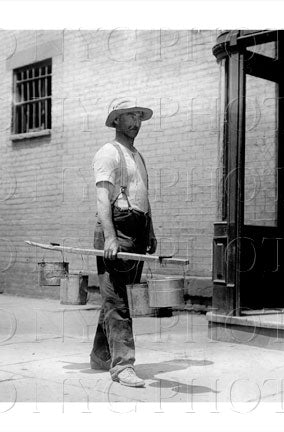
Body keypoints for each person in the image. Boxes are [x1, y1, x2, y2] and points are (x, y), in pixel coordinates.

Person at [89, 98, 157, 387]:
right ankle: (123, 366)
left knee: (117, 298)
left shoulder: (137, 156)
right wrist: (110, 237)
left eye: (138, 117)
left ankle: (100, 355)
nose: (135, 122)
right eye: (129, 116)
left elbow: (143, 196)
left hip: (138, 231)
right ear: (116, 121)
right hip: (116, 231)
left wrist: (151, 231)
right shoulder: (109, 152)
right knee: (118, 301)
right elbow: (103, 197)